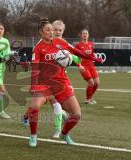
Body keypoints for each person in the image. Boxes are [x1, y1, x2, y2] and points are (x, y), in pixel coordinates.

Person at [26, 18, 102, 147]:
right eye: (48, 30)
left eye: (52, 30)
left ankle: (64, 133)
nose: (51, 32)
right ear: (41, 32)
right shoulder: (38, 48)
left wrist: (94, 58)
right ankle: (33, 136)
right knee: (34, 107)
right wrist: (33, 86)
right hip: (44, 84)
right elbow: (34, 68)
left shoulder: (60, 42)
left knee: (77, 115)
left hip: (61, 83)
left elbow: (77, 52)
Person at [75, 29, 99, 104]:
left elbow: (92, 56)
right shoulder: (78, 45)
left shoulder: (91, 44)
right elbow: (75, 57)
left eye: (86, 33)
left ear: (88, 35)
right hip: (84, 67)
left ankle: (91, 97)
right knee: (91, 82)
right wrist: (79, 66)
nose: (85, 35)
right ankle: (88, 100)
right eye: (83, 33)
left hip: (91, 66)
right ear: (81, 35)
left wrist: (97, 59)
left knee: (97, 83)